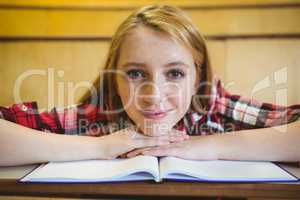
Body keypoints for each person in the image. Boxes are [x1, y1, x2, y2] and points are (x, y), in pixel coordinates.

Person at [0, 5, 299, 167]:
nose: (154, 96)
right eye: (135, 74)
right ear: (114, 80)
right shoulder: (99, 116)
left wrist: (209, 146)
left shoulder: (214, 109)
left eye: (175, 74)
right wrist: (100, 146)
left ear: (198, 78)